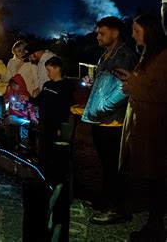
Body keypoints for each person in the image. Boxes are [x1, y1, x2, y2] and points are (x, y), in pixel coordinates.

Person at [81, 16, 138, 224]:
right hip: (101, 121)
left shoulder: (125, 55)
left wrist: (103, 107)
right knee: (105, 164)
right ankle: (106, 201)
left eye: (102, 32)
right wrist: (92, 84)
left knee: (115, 166)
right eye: (97, 32)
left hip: (113, 122)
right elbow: (105, 85)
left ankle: (118, 209)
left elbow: (125, 89)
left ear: (115, 33)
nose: (98, 36)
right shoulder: (105, 55)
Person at [115, 13, 167, 241]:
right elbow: (146, 84)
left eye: (137, 31)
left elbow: (160, 92)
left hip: (156, 127)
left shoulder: (163, 56)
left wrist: (133, 83)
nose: (133, 35)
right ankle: (153, 225)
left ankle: (156, 227)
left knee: (158, 176)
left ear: (151, 30)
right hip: (145, 124)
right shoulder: (148, 54)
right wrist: (131, 81)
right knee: (153, 178)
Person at [24, 56, 75, 165]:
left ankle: (58, 176)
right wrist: (27, 99)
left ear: (57, 69)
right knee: (44, 149)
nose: (47, 73)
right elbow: (39, 100)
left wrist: (60, 126)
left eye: (49, 70)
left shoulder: (66, 86)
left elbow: (64, 107)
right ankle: (44, 172)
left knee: (56, 152)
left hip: (56, 125)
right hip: (44, 123)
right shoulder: (47, 85)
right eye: (46, 70)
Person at [4, 74, 32, 150]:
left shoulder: (25, 94)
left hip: (23, 117)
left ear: (20, 84)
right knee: (11, 131)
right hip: (13, 116)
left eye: (15, 85)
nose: (13, 87)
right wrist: (6, 108)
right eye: (12, 85)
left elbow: (29, 107)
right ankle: (12, 147)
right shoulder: (10, 92)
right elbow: (7, 104)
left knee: (24, 133)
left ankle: (24, 149)